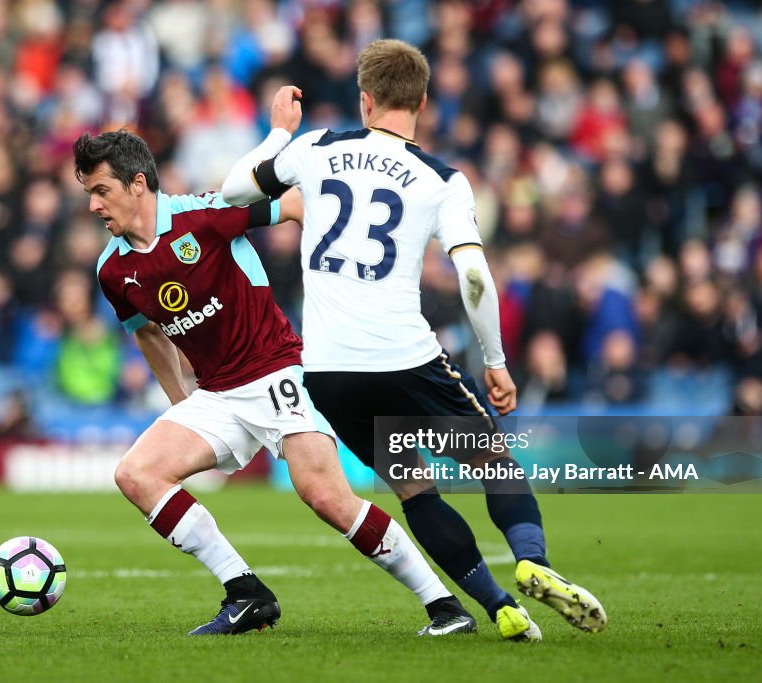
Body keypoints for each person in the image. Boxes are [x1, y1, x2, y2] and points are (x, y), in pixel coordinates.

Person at [221, 39, 607, 639]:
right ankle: (533, 562)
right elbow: (474, 275)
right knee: (495, 464)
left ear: (365, 99)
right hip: (404, 357)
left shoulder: (316, 148)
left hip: (326, 370)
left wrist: (277, 134)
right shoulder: (442, 180)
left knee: (412, 485)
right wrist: (497, 362)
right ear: (423, 101)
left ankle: (498, 605)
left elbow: (233, 192)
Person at [74, 129, 478, 637]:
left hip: (278, 370)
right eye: (87, 192)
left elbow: (295, 205)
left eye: (100, 190)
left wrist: (345, 278)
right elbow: (151, 336)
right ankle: (246, 593)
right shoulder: (112, 269)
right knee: (136, 475)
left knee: (326, 497)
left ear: (138, 184)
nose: (92, 205)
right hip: (217, 394)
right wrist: (184, 407)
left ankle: (444, 606)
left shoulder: (207, 213)